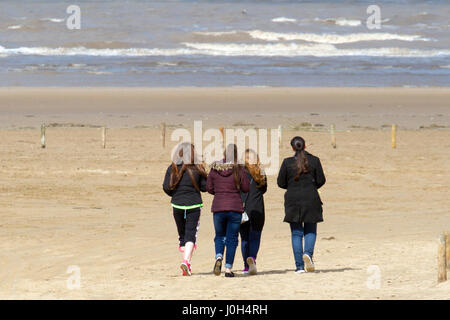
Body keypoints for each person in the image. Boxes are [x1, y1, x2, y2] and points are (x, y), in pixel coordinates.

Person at [277, 136, 326, 273]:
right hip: (311, 197)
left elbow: (281, 183)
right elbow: (321, 180)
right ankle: (308, 254)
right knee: (310, 230)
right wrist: (310, 185)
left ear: (292, 147)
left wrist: (292, 186)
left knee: (296, 233)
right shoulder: (315, 160)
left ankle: (299, 266)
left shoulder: (287, 162)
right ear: (305, 146)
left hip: (293, 199)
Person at [163, 142, 207, 276]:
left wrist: (175, 195)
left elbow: (166, 187)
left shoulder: (172, 168)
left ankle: (186, 256)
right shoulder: (197, 168)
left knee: (183, 235)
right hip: (193, 205)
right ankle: (186, 261)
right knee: (190, 234)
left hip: (177, 205)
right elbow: (205, 187)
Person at [206, 144, 250, 278]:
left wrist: (219, 192)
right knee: (232, 239)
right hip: (235, 208)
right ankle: (228, 269)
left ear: (224, 154)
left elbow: (208, 188)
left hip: (218, 207)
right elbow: (246, 188)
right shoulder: (239, 169)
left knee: (219, 235)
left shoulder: (215, 169)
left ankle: (219, 256)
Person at [240, 149, 267, 275]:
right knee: (255, 236)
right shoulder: (261, 172)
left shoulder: (240, 172)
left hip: (242, 208)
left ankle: (246, 266)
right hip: (257, 208)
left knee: (244, 238)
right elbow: (264, 189)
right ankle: (253, 259)